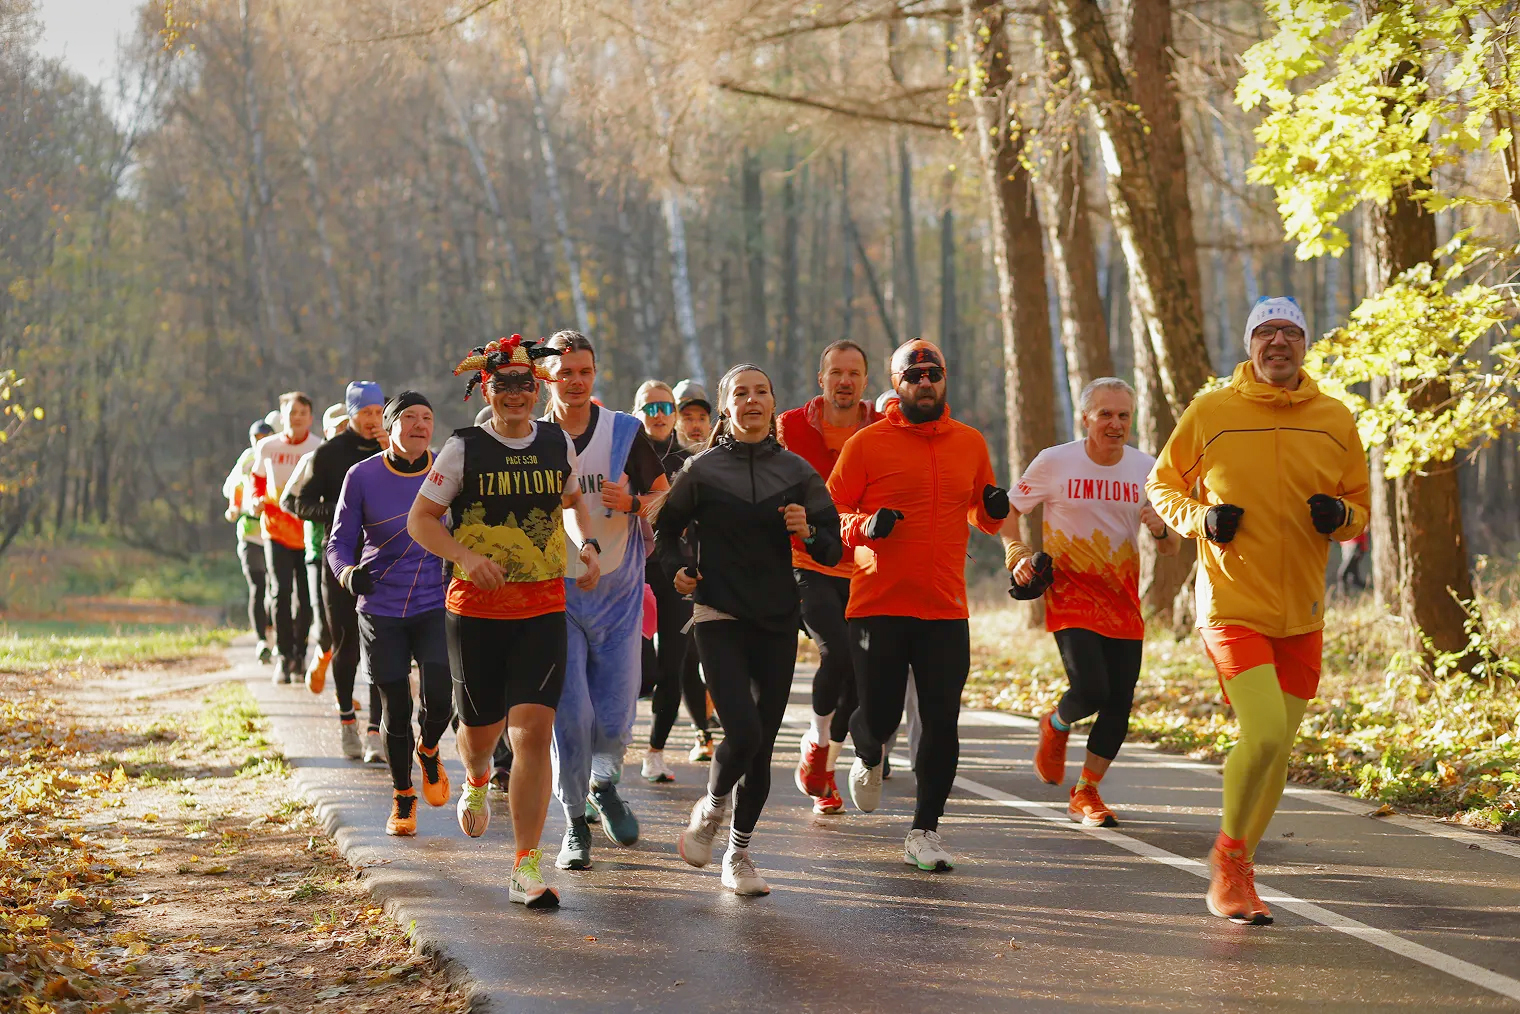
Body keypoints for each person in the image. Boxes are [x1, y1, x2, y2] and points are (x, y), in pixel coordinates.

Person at [1147, 296, 1369, 925]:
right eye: (1265, 332)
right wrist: (1202, 519)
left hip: (1303, 610)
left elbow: (1359, 507)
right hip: (1231, 603)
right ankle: (1228, 857)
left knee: (1279, 748)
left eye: (1290, 333)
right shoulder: (1212, 411)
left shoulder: (1335, 418)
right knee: (1266, 732)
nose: (1278, 343)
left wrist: (1341, 516)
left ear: (1304, 345)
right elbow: (1162, 485)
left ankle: (1240, 863)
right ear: (1250, 346)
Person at [408, 335, 602, 909]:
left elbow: (572, 505)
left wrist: (587, 545)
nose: (514, 394)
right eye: (503, 385)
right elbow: (422, 520)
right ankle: (474, 778)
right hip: (475, 612)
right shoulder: (462, 448)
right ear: (486, 390)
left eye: (523, 384)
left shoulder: (556, 442)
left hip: (542, 608)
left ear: (536, 388)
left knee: (533, 734)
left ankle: (525, 866)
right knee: (480, 736)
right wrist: (465, 557)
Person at [662, 364, 842, 895]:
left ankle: (737, 854)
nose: (752, 400)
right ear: (726, 407)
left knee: (761, 747)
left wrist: (807, 531)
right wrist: (678, 570)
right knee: (743, 732)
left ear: (773, 403)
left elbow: (832, 547)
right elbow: (665, 532)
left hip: (777, 620)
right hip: (718, 614)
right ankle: (711, 809)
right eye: (740, 393)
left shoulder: (796, 471)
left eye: (761, 391)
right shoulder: (700, 470)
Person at [828, 339, 1008, 872]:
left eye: (933, 372)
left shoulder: (970, 442)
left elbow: (982, 513)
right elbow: (830, 510)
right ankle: (868, 748)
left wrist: (994, 509)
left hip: (945, 608)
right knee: (881, 716)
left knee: (941, 721)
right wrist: (865, 525)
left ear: (944, 379)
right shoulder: (866, 443)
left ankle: (924, 830)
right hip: (878, 604)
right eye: (913, 374)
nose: (925, 381)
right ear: (897, 383)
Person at [1004, 377, 1182, 828]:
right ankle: (1056, 724)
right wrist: (1017, 553)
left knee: (1120, 701)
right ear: (1085, 418)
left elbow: (1171, 548)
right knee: (1091, 690)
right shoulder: (1055, 462)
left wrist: (1160, 529)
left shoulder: (1147, 468)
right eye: (1105, 414)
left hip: (1121, 599)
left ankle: (1085, 790)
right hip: (1070, 594)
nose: (1115, 424)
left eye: (1123, 415)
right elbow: (1007, 511)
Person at [538, 332, 671, 870]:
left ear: (595, 374)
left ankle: (604, 784)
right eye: (565, 372)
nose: (575, 381)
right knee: (571, 716)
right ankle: (574, 822)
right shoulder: (533, 438)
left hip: (619, 590)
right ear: (548, 377)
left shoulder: (623, 431)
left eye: (584, 371)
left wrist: (636, 502)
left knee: (614, 717)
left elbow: (665, 497)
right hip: (558, 593)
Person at [329, 391, 454, 837]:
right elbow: (339, 542)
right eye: (409, 418)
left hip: (434, 602)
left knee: (441, 698)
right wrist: (347, 575)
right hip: (380, 606)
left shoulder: (447, 470)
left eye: (427, 417)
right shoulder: (361, 475)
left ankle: (430, 748)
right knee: (395, 707)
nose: (420, 425)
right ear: (388, 425)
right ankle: (403, 795)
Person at [776, 340, 883, 814]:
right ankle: (817, 744)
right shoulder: (791, 427)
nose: (844, 381)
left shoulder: (881, 427)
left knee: (860, 672)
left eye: (853, 373)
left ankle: (826, 766)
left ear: (865, 382)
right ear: (821, 379)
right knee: (835, 651)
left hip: (864, 565)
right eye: (836, 372)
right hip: (808, 563)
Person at [290, 382, 387, 761]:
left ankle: (376, 731)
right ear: (350, 414)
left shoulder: (392, 449)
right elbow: (301, 503)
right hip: (342, 560)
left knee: (381, 647)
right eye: (366, 413)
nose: (373, 420)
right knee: (345, 645)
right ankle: (348, 721)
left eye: (378, 412)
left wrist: (391, 454)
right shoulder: (329, 453)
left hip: (385, 559)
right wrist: (343, 511)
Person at [632, 380, 712, 784]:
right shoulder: (625, 452)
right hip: (633, 569)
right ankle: (611, 737)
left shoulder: (689, 461)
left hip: (676, 570)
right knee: (642, 669)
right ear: (637, 413)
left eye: (665, 408)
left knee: (675, 663)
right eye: (650, 408)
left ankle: (655, 752)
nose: (659, 415)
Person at [250, 393, 322, 684]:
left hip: (307, 533)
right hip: (275, 530)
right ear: (282, 416)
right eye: (292, 412)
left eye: (302, 412)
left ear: (310, 417)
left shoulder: (319, 447)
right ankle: (283, 655)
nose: (297, 417)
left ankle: (300, 655)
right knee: (280, 593)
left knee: (305, 598)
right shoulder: (267, 446)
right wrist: (256, 498)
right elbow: (256, 478)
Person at [281, 404, 347, 696]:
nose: (343, 431)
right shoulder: (313, 458)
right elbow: (288, 500)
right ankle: (321, 656)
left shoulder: (364, 458)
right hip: (318, 551)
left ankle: (344, 693)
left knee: (353, 624)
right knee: (324, 621)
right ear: (326, 430)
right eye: (338, 427)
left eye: (348, 425)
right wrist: (326, 512)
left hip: (356, 551)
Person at [224, 418, 274, 664]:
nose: (260, 443)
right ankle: (262, 640)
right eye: (256, 439)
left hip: (275, 532)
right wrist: (234, 507)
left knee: (277, 589)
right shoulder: (247, 458)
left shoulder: (277, 455)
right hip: (249, 533)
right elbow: (232, 486)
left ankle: (274, 632)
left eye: (265, 438)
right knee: (258, 587)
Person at [673, 379, 712, 452]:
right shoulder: (661, 457)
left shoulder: (723, 456)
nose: (696, 425)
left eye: (702, 419)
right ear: (674, 422)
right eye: (688, 419)